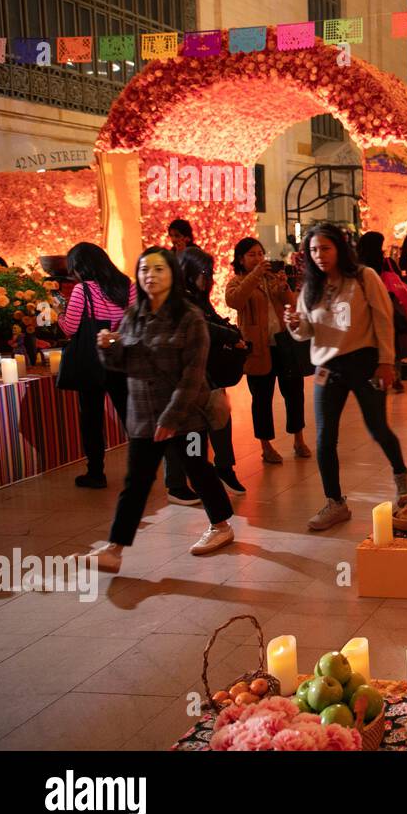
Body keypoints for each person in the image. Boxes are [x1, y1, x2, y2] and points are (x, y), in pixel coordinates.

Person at [82, 247, 236, 573]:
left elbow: (193, 374)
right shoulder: (132, 315)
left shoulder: (190, 317)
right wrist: (106, 348)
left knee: (198, 468)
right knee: (136, 481)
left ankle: (221, 526)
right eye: (144, 270)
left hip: (187, 415)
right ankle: (114, 548)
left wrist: (172, 418)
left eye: (159, 269)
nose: (150, 276)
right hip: (144, 416)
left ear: (173, 275)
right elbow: (123, 364)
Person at [284, 223, 407, 531]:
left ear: (340, 248)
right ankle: (335, 503)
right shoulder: (310, 286)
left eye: (325, 248)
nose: (319, 256)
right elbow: (305, 332)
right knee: (325, 437)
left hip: (365, 363)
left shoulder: (363, 277)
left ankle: (404, 482)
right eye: (313, 250)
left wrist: (386, 362)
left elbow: (383, 320)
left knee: (377, 427)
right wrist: (293, 322)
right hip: (328, 368)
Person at [162, 246, 246, 497]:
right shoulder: (176, 298)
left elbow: (212, 319)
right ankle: (180, 481)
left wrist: (234, 333)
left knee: (217, 417)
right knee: (189, 429)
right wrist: (231, 335)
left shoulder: (195, 295)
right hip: (183, 373)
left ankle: (219, 467)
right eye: (203, 272)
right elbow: (202, 325)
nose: (207, 277)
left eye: (209, 272)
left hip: (203, 372)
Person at [226, 237, 310, 464]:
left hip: (283, 344)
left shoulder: (272, 278)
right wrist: (254, 276)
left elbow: (291, 305)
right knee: (261, 399)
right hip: (258, 349)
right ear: (241, 259)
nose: (258, 258)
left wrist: (284, 288)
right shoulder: (236, 282)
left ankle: (299, 440)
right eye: (252, 255)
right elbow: (234, 301)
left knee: (294, 393)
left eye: (260, 254)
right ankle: (266, 446)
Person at [60, 242, 137, 489]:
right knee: (130, 414)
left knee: (91, 419)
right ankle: (142, 467)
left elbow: (71, 327)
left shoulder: (83, 290)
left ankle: (96, 473)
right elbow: (136, 321)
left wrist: (59, 314)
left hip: (91, 361)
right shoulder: (128, 285)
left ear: (81, 267)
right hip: (121, 359)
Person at [357, 231, 407, 394]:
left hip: (367, 312)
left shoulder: (358, 264)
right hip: (389, 306)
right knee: (392, 341)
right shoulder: (387, 262)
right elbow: (399, 280)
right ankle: (395, 376)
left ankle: (374, 375)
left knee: (376, 342)